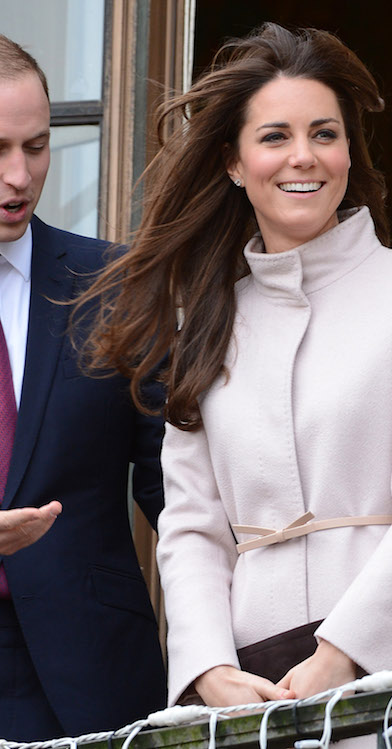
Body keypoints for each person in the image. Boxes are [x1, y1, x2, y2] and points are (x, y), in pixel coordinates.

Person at [78, 23, 392, 747]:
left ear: (350, 152)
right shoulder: (205, 317)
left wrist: (342, 653)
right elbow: (191, 524)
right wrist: (209, 668)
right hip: (250, 697)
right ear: (234, 162)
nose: (304, 157)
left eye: (325, 133)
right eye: (275, 137)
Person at [0, 35, 166, 741]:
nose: (19, 176)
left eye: (37, 147)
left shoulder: (115, 284)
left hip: (87, 675)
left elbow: (175, 486)